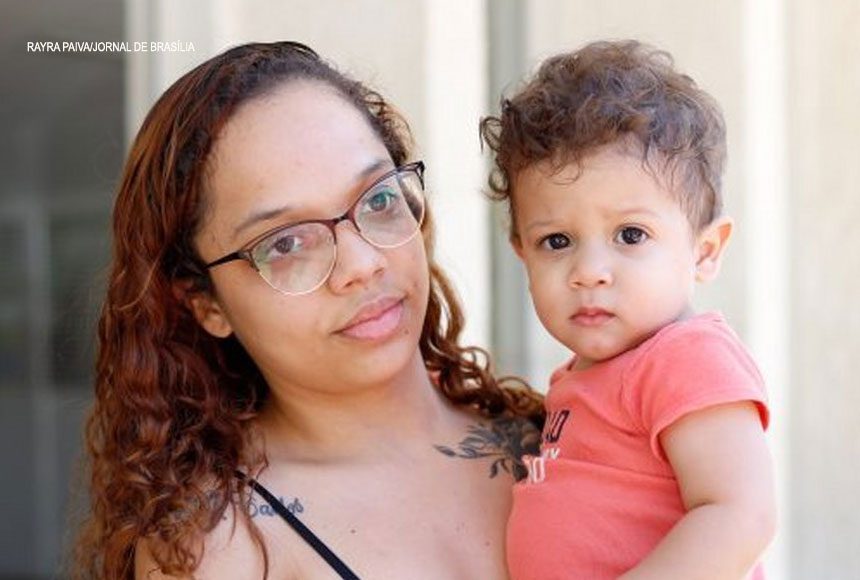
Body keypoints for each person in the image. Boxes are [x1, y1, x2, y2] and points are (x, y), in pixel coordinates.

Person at [73, 41, 543, 580]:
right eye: (286, 244)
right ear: (206, 303)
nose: (362, 264)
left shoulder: (558, 438)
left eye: (378, 200)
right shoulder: (219, 548)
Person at [480, 40, 776, 579]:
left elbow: (741, 514)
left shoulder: (685, 358)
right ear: (522, 252)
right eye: (556, 241)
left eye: (631, 234)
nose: (589, 270)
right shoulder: (582, 377)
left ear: (704, 251)